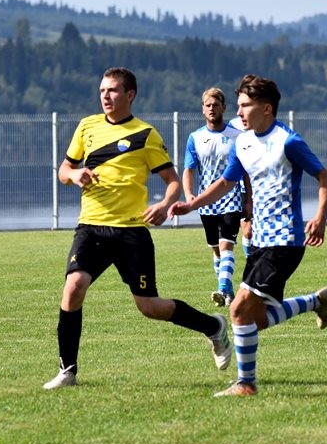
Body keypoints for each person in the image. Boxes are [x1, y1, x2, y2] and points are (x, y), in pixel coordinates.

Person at [43, 67, 231, 390]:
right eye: (102, 90)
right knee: (74, 287)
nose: (105, 96)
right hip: (91, 227)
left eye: (113, 90)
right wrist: (74, 175)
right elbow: (64, 169)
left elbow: (172, 182)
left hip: (131, 233)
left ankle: (213, 326)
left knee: (150, 307)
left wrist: (164, 205)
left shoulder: (145, 135)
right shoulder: (87, 127)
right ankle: (67, 371)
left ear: (130, 95)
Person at [170, 74, 327, 397]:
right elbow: (225, 183)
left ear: (267, 109)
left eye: (246, 105)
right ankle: (316, 302)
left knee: (237, 310)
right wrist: (192, 204)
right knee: (253, 319)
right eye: (239, 105)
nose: (239, 112)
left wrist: (320, 218)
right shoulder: (243, 143)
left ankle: (246, 384)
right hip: (259, 241)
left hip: (284, 240)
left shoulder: (288, 141)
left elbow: (325, 178)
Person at [182, 87, 250, 307]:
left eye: (216, 105)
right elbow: (189, 169)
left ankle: (221, 288)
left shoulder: (237, 137)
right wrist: (190, 195)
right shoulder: (195, 138)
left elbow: (246, 172)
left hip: (231, 199)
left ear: (224, 108)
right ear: (203, 109)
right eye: (208, 105)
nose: (212, 108)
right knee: (216, 249)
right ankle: (228, 291)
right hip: (206, 202)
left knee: (226, 245)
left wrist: (249, 199)